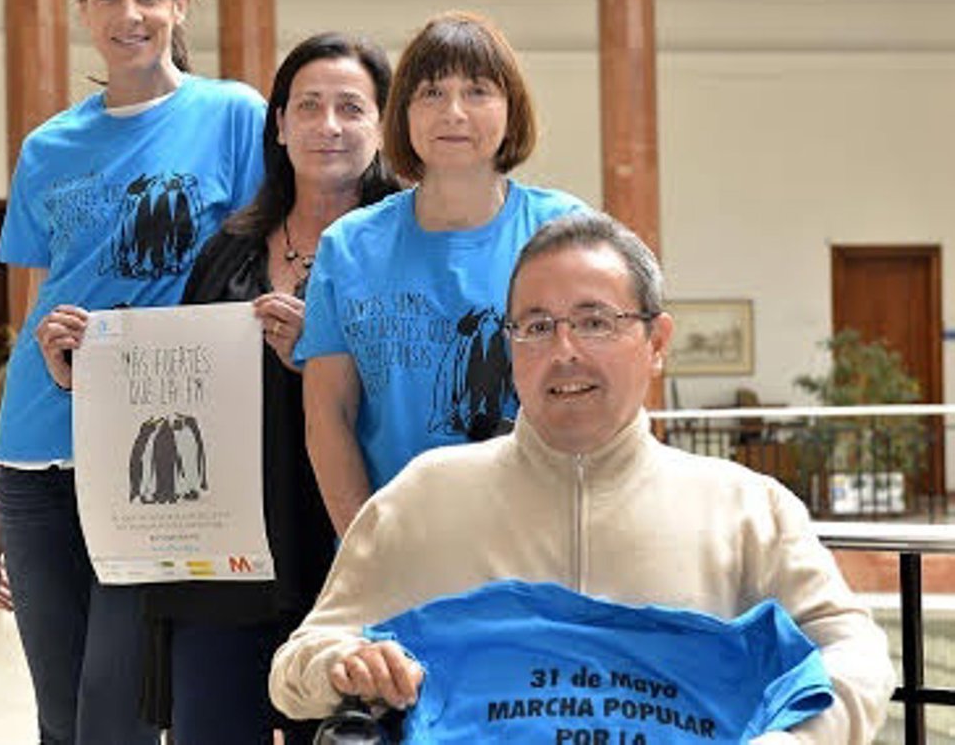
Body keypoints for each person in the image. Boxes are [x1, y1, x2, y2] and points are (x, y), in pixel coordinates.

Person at [269, 211, 896, 744]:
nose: (564, 351)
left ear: (657, 342)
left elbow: (853, 650)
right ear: (509, 344)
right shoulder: (423, 497)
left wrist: (794, 739)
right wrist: (343, 664)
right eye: (537, 326)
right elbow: (297, 663)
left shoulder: (745, 508)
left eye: (595, 321)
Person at [0, 0, 265, 744]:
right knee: (61, 717)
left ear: (180, 4)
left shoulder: (233, 116)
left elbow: (259, 263)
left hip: (156, 455)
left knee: (116, 709)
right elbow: (40, 310)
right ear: (82, 9)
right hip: (38, 454)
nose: (128, 15)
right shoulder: (48, 147)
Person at [145, 32, 399, 743]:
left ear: (383, 127)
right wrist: (92, 368)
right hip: (226, 561)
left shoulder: (406, 243)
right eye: (308, 106)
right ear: (280, 125)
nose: (328, 125)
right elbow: (179, 384)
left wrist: (319, 360)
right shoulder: (228, 247)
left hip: (350, 545)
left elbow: (424, 390)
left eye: (351, 107)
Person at [295, 11, 586, 536]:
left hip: (541, 542)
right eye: (431, 92)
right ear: (402, 113)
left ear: (511, 109)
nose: (453, 112)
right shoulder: (348, 247)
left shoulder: (565, 232)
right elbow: (328, 418)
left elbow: (599, 396)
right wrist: (369, 549)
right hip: (397, 543)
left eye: (477, 91)